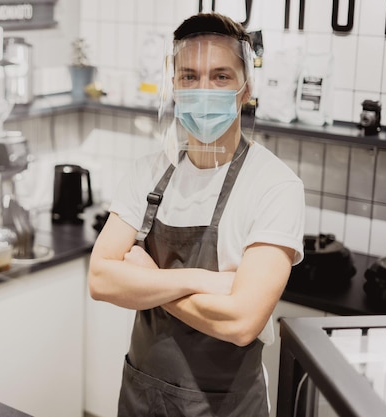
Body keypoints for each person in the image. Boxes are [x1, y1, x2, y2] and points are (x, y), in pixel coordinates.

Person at [87, 12, 305, 417]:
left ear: (246, 87)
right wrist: (203, 281)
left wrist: (149, 281)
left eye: (220, 76)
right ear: (174, 86)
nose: (204, 89)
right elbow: (100, 279)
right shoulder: (147, 172)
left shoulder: (276, 186)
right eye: (189, 76)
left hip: (227, 407)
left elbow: (241, 322)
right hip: (142, 397)